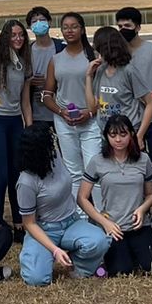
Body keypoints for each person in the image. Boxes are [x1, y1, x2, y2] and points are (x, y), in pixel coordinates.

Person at [16, 123, 108, 286]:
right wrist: (55, 250)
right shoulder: (26, 182)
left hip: (71, 221)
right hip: (44, 228)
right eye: (50, 143)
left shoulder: (55, 156)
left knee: (99, 241)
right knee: (36, 279)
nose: (54, 145)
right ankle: (36, 256)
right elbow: (29, 223)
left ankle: (79, 265)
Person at [78, 114, 152, 276]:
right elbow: (82, 198)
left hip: (139, 225)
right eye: (113, 135)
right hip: (114, 227)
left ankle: (136, 252)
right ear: (106, 136)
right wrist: (104, 222)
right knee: (121, 271)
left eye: (123, 134)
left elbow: (151, 194)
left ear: (131, 134)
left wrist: (142, 210)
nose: (118, 139)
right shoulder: (97, 161)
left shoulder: (143, 159)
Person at [0, 20, 33, 227]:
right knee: (0, 176)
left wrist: (29, 128)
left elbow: (25, 100)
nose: (18, 38)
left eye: (21, 34)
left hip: (15, 120)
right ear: (5, 37)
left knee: (17, 175)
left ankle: (19, 222)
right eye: (13, 35)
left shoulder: (25, 61)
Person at [44, 12, 100, 197]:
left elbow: (103, 92)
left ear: (82, 30)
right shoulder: (56, 59)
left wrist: (90, 112)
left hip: (91, 120)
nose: (70, 31)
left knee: (94, 169)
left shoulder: (94, 57)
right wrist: (61, 112)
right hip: (65, 121)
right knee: (73, 172)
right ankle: (78, 212)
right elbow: (47, 95)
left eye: (74, 26)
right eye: (65, 27)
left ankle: (101, 212)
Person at [115, 7, 152, 165]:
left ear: (138, 27)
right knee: (132, 163)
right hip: (129, 117)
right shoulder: (117, 53)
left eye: (127, 26)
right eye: (120, 26)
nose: (123, 30)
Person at [86, 25, 152, 141]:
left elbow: (151, 103)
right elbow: (92, 106)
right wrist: (89, 76)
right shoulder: (100, 70)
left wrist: (139, 136)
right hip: (107, 135)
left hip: (127, 134)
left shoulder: (129, 71)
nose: (96, 52)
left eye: (98, 48)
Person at [26, 6, 62, 127]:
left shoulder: (61, 47)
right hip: (36, 113)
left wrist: (51, 81)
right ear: (29, 27)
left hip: (60, 110)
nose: (39, 23)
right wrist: (29, 82)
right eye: (34, 21)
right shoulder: (26, 52)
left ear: (49, 22)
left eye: (42, 20)